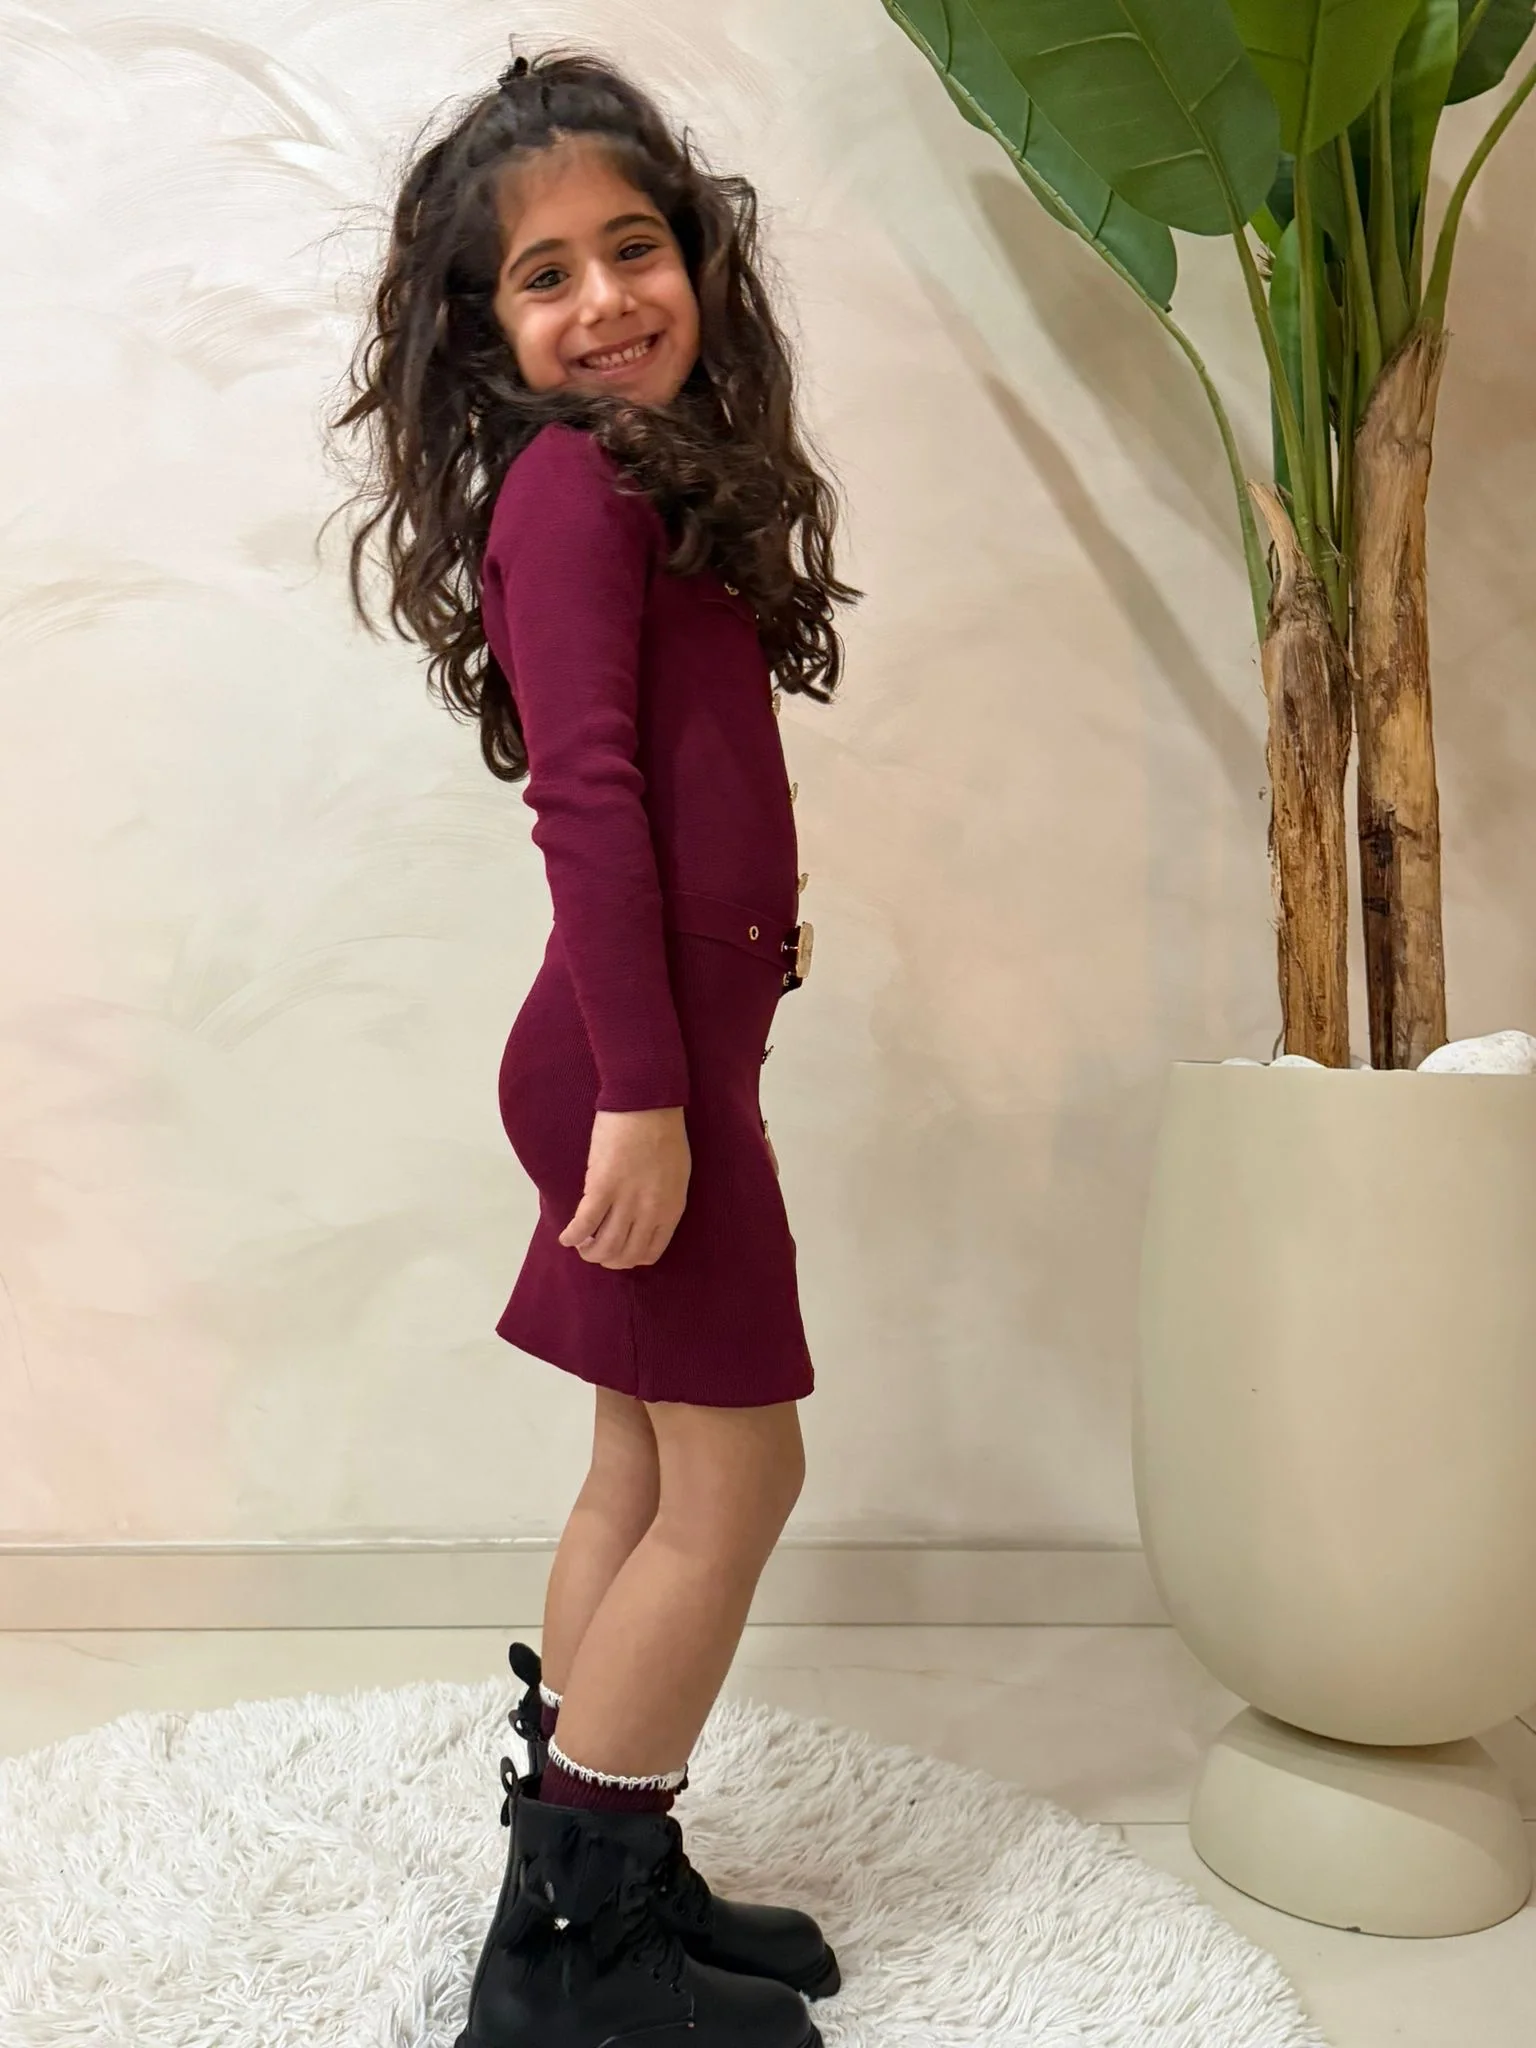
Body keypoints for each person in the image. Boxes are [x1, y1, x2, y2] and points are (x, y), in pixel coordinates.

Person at [325, 42, 858, 2048]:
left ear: (698, 259)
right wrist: (648, 1089)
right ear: (487, 330)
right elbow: (589, 800)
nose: (606, 296)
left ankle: (611, 1870)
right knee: (742, 1476)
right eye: (545, 274)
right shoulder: (567, 490)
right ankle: (568, 1964)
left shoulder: (647, 485)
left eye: (634, 246)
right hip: (632, 1072)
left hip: (660, 1056)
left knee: (646, 1462)